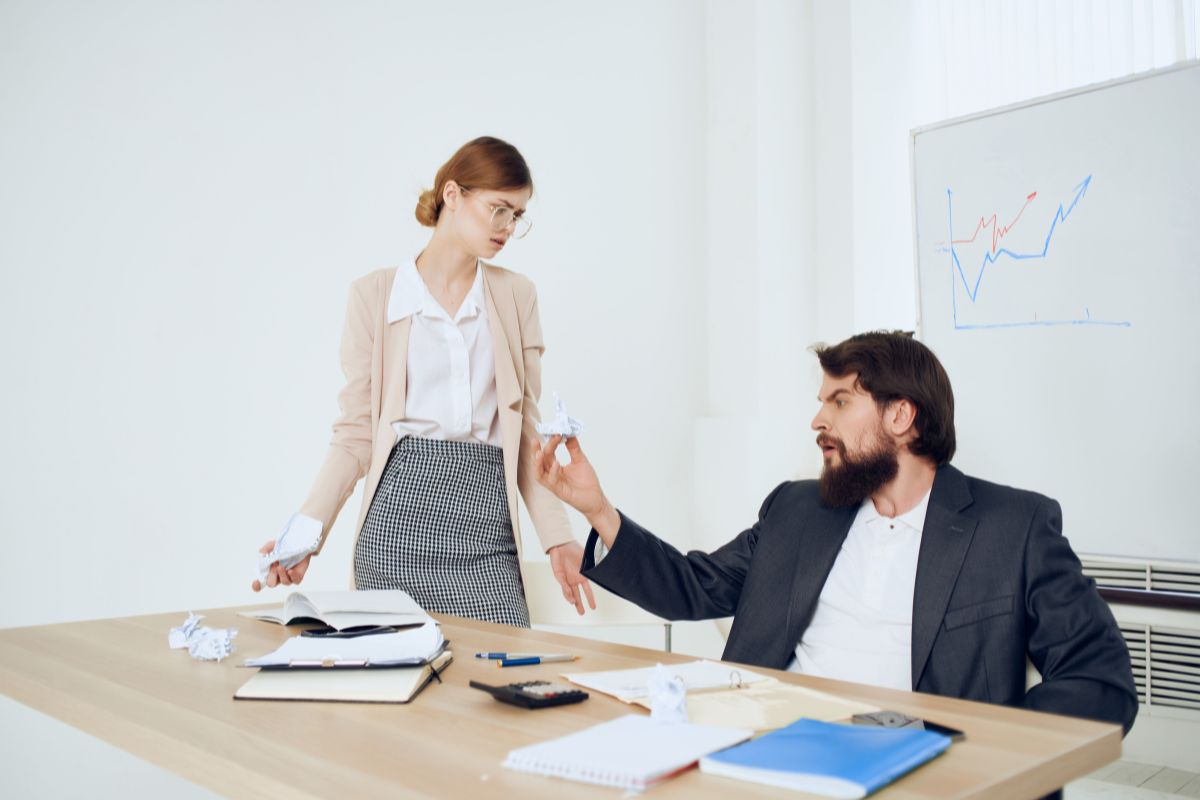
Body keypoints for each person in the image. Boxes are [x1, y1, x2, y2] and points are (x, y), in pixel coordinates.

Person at [531, 331, 1137, 731]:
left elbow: (1099, 680)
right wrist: (598, 510)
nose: (817, 420)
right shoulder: (799, 510)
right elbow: (692, 588)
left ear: (901, 416)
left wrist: (985, 751)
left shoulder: (1014, 527)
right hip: (760, 745)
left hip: (910, 767)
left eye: (841, 402)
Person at [253, 136, 595, 627]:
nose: (507, 228)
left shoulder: (517, 297)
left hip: (488, 535)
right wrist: (307, 536)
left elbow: (525, 436)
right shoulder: (374, 296)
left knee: (500, 678)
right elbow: (355, 435)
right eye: (498, 209)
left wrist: (558, 537)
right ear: (452, 195)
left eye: (517, 216)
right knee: (402, 688)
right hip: (396, 531)